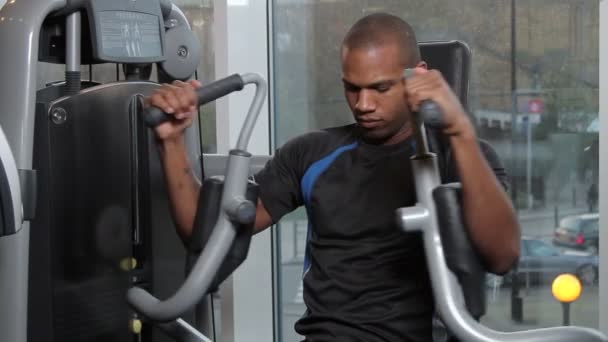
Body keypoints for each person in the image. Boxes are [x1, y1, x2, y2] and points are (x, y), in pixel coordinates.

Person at [147, 13, 520, 342]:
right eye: (352, 87)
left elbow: (503, 255)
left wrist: (461, 132)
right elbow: (205, 236)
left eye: (380, 88)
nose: (363, 104)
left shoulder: (461, 155)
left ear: (416, 76)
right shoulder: (313, 153)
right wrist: (173, 142)